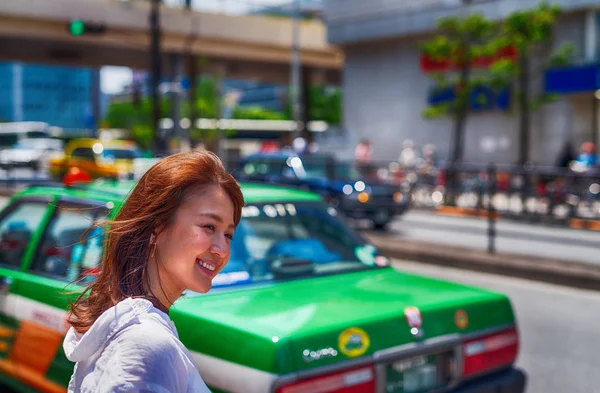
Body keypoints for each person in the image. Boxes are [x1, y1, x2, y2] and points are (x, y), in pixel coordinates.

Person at [63, 150, 245, 393]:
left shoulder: (133, 324)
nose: (222, 249)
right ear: (156, 227)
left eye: (228, 235)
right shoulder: (147, 343)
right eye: (209, 226)